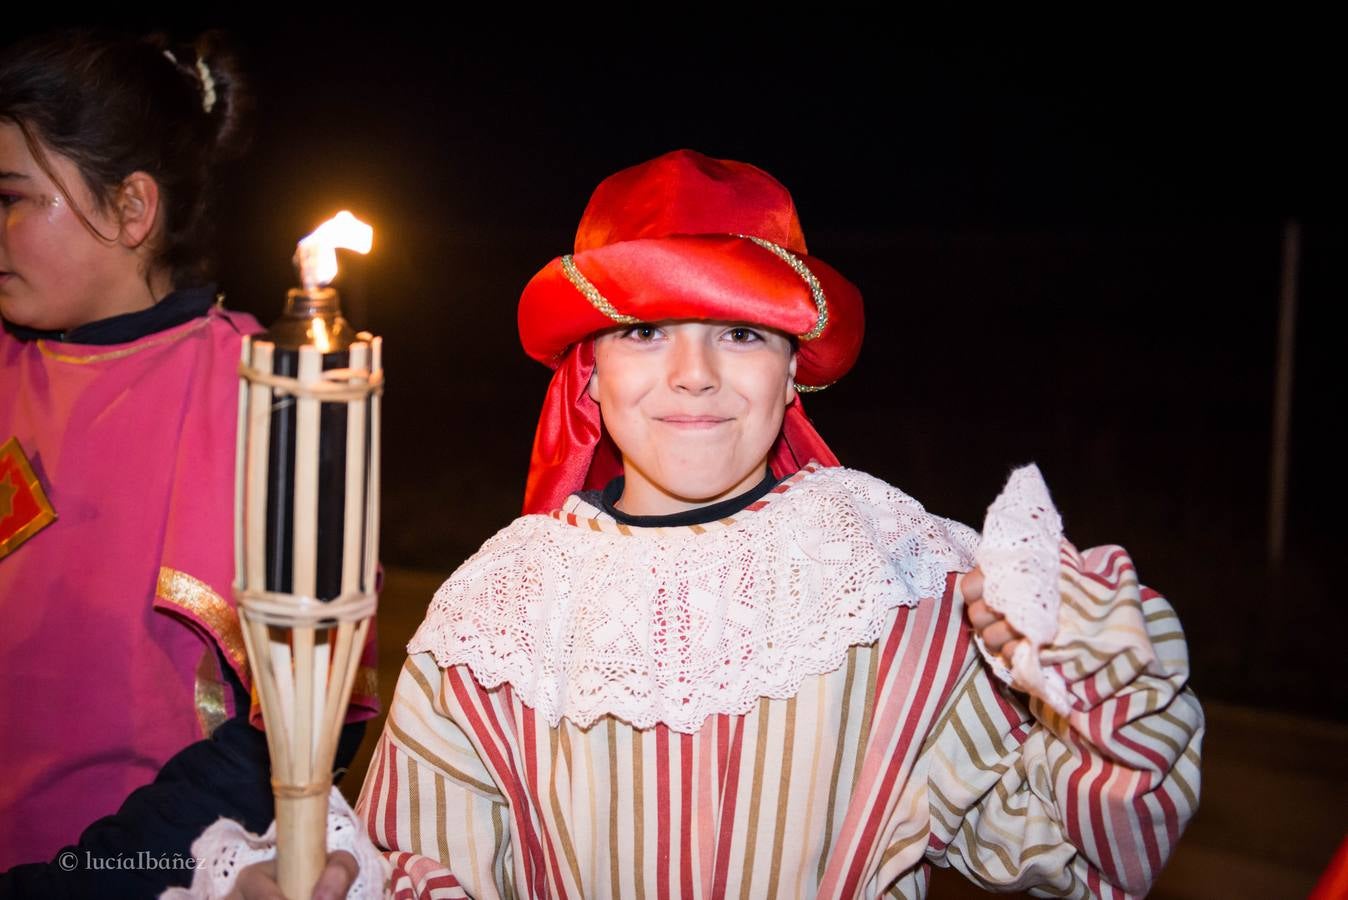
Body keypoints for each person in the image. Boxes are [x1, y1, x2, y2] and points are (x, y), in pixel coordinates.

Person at [229, 149, 1202, 899]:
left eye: (738, 332)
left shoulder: (895, 577)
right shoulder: (498, 617)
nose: (693, 373)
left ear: (792, 368)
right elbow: (425, 865)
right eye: (644, 331)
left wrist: (1087, 671)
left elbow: (1074, 855)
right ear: (588, 372)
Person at [0, 31, 376, 898]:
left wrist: (98, 876)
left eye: (14, 196)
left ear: (133, 209)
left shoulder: (261, 393)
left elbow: (297, 722)